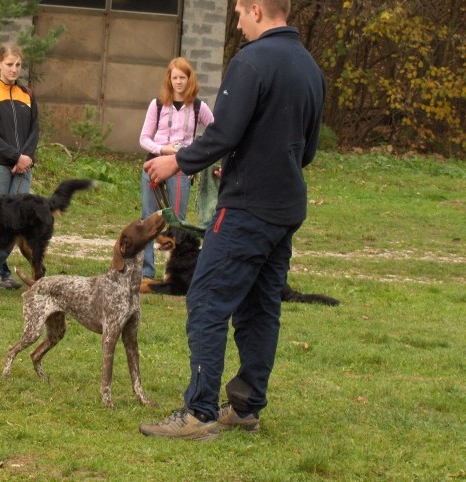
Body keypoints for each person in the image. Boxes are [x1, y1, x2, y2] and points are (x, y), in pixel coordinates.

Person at [139, 0, 326, 440]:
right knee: (261, 306)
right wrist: (246, 162)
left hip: (247, 209)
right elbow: (307, 150)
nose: (238, 23)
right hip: (286, 208)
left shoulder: (252, 61)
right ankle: (245, 407)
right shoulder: (310, 69)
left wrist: (177, 162)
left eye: (240, 12)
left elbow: (222, 134)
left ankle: (200, 412)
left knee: (206, 298)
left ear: (257, 10)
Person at [139, 57, 213, 281]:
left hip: (182, 168)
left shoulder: (199, 107)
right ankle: (146, 272)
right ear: (169, 80)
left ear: (189, 79)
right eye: (174, 78)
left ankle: (176, 272)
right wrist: (163, 149)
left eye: (182, 77)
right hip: (154, 164)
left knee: (177, 222)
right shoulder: (158, 104)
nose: (178, 82)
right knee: (149, 218)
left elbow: (217, 133)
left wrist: (196, 157)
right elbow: (143, 138)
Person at [0, 44, 39, 290]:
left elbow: (35, 131)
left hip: (23, 166)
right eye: (9, 64)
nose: (14, 69)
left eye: (18, 65)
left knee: (16, 221)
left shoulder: (28, 95)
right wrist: (16, 157)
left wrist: (27, 158)